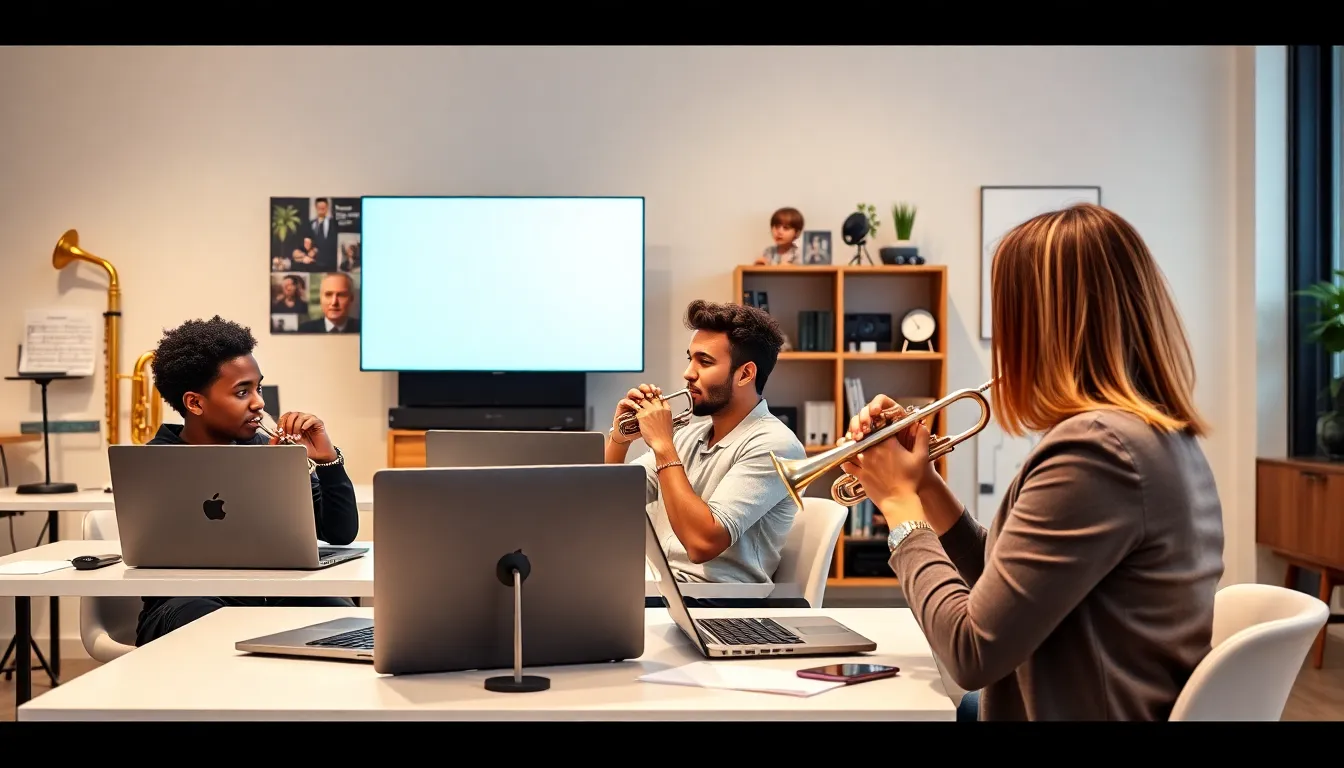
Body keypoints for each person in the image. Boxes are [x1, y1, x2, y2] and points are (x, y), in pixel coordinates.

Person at [841, 203, 1224, 721]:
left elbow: (971, 652)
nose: (1003, 341)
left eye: (1008, 318)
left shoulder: (1098, 451)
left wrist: (898, 506)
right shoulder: (1149, 435)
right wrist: (925, 485)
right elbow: (1005, 593)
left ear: (1042, 325)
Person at [135, 316, 360, 646]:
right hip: (184, 603)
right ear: (195, 402)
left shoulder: (265, 451)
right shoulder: (153, 462)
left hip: (274, 596)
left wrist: (326, 462)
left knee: (340, 613)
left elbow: (340, 533)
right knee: (205, 620)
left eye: (258, 388)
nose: (259, 402)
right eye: (243, 392)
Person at [606, 299, 806, 588]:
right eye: (690, 358)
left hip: (719, 602)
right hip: (666, 587)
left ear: (745, 374)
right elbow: (608, 501)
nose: (688, 372)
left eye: (705, 361)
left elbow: (702, 544)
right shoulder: (688, 436)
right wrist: (619, 438)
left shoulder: (774, 445)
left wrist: (663, 445)